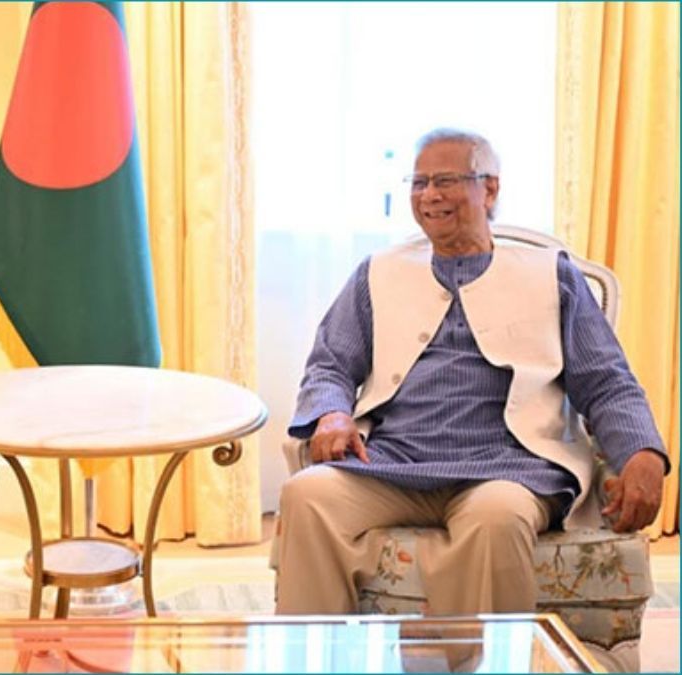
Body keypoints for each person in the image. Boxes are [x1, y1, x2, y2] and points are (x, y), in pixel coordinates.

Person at [274, 128, 669, 616]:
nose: (429, 196)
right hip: (394, 461)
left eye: (445, 181)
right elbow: (330, 364)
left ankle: (476, 657)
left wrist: (643, 452)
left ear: (491, 189)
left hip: (511, 467)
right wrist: (332, 414)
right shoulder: (378, 273)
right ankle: (321, 653)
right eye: (419, 183)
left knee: (496, 518)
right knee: (307, 495)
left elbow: (606, 381)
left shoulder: (551, 274)